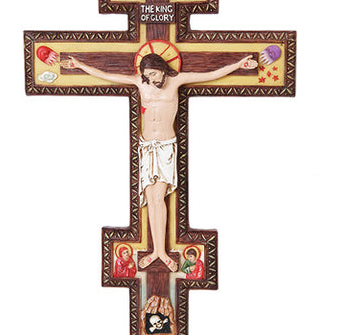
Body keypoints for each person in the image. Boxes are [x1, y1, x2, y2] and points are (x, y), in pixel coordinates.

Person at [61, 51, 257, 272]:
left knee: (159, 198)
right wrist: (80, 65)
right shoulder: (141, 82)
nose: (150, 79)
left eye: (153, 73)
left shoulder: (177, 80)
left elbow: (210, 74)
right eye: (146, 75)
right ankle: (157, 251)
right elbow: (107, 75)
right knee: (151, 200)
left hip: (165, 147)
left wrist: (238, 65)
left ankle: (161, 251)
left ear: (162, 69)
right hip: (147, 146)